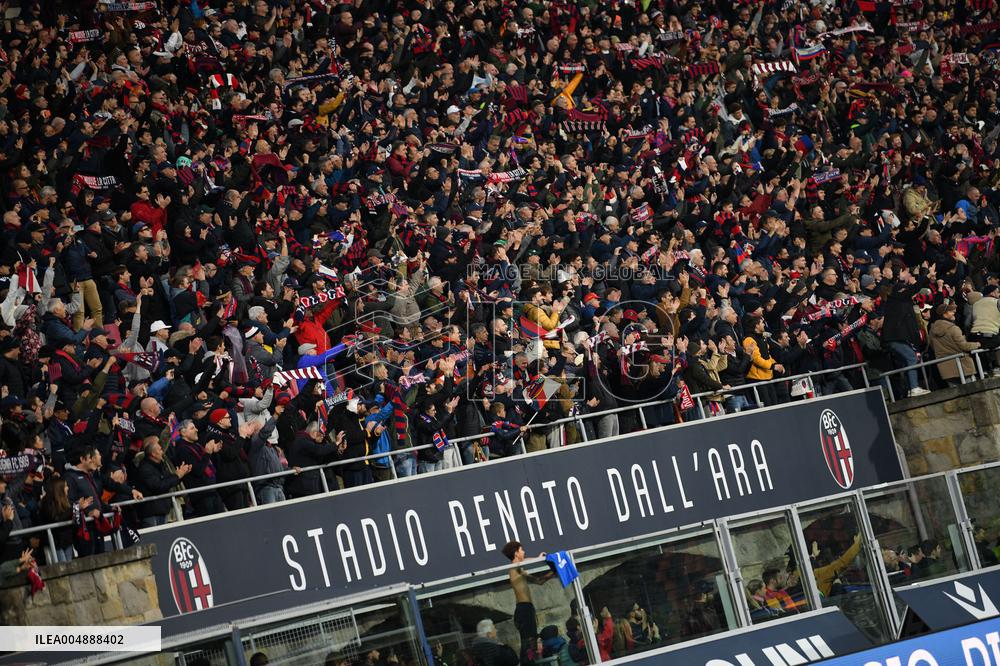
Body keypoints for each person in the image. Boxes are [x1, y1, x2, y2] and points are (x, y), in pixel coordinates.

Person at [502, 540, 554, 663]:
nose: (524, 552)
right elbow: (522, 562)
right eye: (521, 550)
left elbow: (539, 581)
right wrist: (538, 558)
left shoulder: (520, 571)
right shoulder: (513, 568)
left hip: (527, 609)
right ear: (516, 553)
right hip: (523, 609)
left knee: (532, 642)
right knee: (529, 643)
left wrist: (554, 570)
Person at [134, 439, 192, 527]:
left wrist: (181, 474)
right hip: (151, 513)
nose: (162, 452)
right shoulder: (145, 468)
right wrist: (177, 476)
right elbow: (158, 486)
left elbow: (168, 481)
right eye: (160, 449)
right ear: (153, 454)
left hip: (162, 510)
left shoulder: (160, 465)